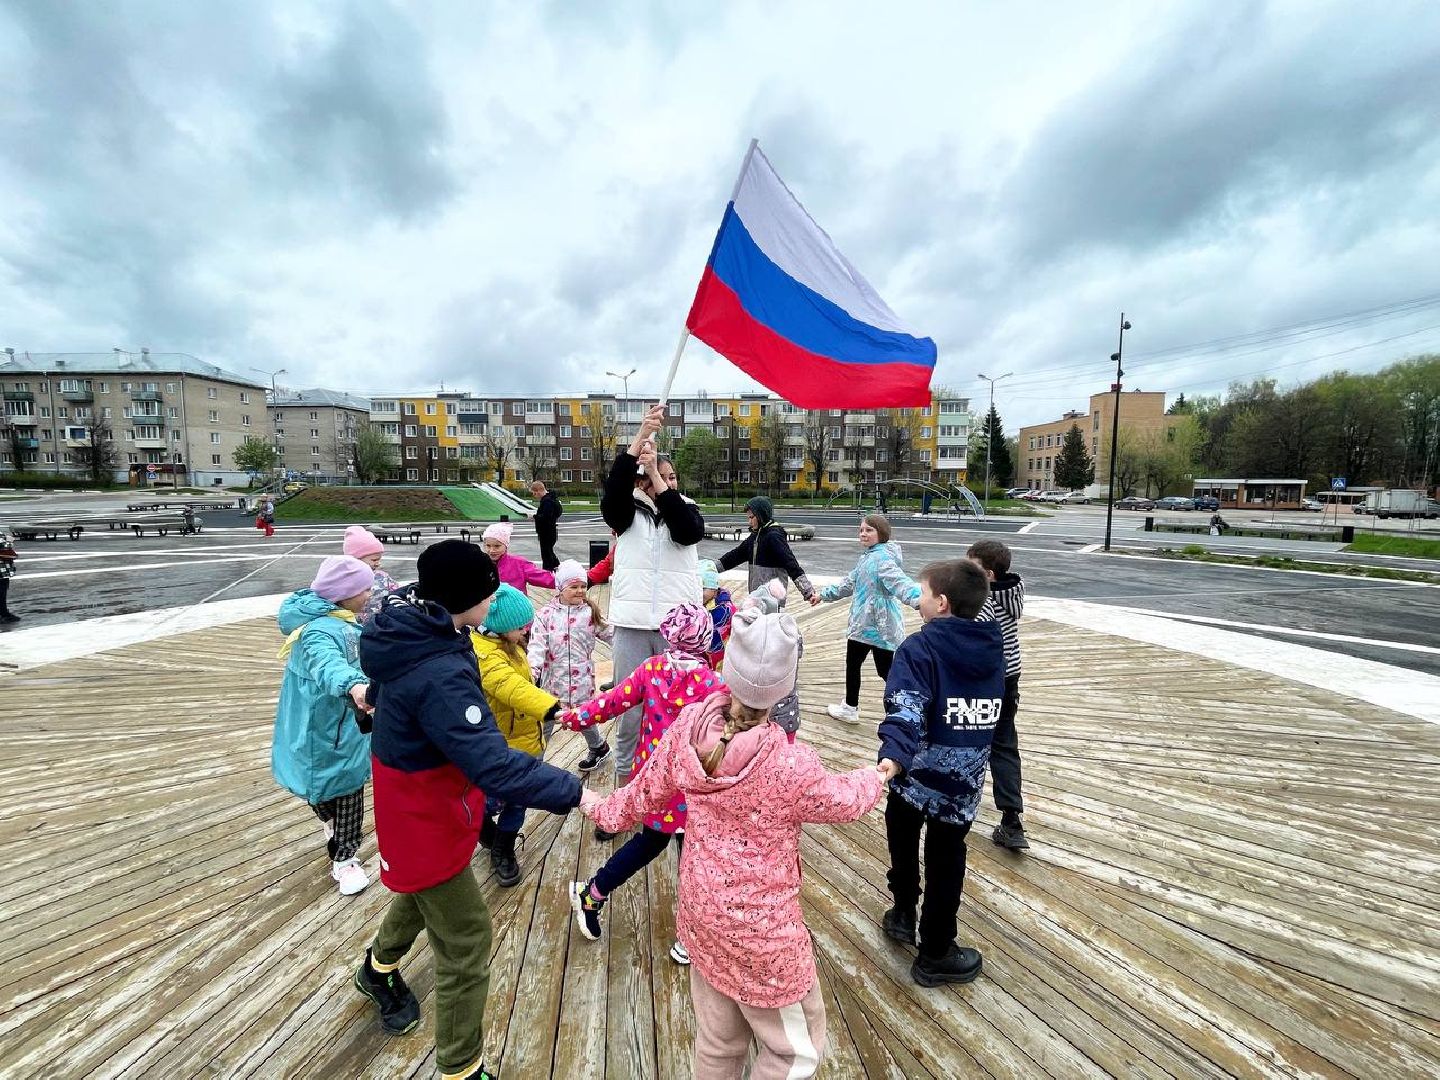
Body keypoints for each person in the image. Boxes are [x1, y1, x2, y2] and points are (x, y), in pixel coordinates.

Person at [583, 607, 886, 1080]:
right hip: (763, 933)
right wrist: (877, 773)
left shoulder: (687, 730)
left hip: (701, 914)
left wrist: (592, 804)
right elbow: (846, 801)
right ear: (783, 688)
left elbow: (637, 797)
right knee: (796, 1052)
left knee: (719, 1045)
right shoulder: (790, 765)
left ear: (727, 666)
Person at [355, 539, 590, 1080]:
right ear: (466, 597)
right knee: (467, 941)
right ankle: (460, 1067)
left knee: (427, 884)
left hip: (425, 795)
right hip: (424, 807)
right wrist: (577, 793)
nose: (497, 599)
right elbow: (494, 765)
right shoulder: (438, 669)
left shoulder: (424, 623)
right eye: (489, 591)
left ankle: (377, 966)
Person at [560, 603, 723, 960]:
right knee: (694, 856)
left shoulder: (652, 670)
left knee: (651, 842)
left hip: (656, 779)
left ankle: (592, 893)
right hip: (694, 785)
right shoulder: (713, 685)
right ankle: (691, 935)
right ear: (704, 638)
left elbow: (611, 702)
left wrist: (574, 717)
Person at [877, 559, 1005, 988]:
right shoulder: (994, 647)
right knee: (947, 858)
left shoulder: (919, 648)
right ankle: (936, 949)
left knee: (903, 834)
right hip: (963, 783)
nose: (919, 599)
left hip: (913, 776)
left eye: (923, 593)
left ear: (942, 603)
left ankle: (902, 913)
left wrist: (893, 755)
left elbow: (907, 707)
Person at [600, 403, 705, 800]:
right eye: (656, 477)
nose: (666, 481)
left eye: (672, 476)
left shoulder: (687, 511)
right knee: (630, 709)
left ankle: (672, 788)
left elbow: (686, 533)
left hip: (677, 632)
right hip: (631, 624)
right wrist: (639, 440)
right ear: (639, 481)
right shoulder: (624, 515)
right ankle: (626, 789)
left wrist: (661, 478)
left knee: (679, 711)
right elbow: (614, 494)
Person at [271, 555, 376, 896]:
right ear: (344, 594)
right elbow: (327, 664)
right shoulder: (320, 630)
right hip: (329, 723)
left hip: (329, 724)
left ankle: (344, 852)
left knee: (344, 788)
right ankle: (344, 861)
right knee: (330, 788)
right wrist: (355, 685)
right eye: (365, 588)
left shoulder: (332, 619)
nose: (370, 592)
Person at [468, 584, 559, 888]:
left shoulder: (507, 643)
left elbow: (521, 678)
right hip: (501, 745)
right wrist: (551, 708)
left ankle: (503, 848)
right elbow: (510, 687)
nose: (526, 631)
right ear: (501, 627)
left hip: (523, 738)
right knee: (491, 800)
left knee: (518, 800)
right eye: (520, 626)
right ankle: (485, 830)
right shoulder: (485, 655)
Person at [816, 514, 921, 725]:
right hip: (864, 625)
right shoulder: (868, 557)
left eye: (869, 530)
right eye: (861, 529)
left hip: (879, 626)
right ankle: (852, 707)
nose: (863, 533)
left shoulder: (882, 559)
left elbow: (901, 583)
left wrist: (921, 600)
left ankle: (906, 709)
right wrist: (823, 594)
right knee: (854, 664)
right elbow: (849, 583)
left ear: (881, 534)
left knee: (885, 671)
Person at [966, 539, 1028, 850]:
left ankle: (957, 799)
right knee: (1005, 745)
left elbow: (971, 638)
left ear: (988, 574)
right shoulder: (1014, 591)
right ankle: (1012, 819)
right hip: (1011, 677)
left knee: (969, 738)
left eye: (971, 566)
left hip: (984, 679)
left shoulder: (983, 600)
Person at [528, 559, 613, 774]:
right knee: (546, 718)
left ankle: (598, 747)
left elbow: (613, 635)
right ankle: (534, 765)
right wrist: (532, 670)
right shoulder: (545, 615)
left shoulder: (590, 614)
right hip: (552, 680)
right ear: (560, 588)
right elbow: (537, 644)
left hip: (582, 680)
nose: (580, 591)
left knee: (583, 718)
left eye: (583, 586)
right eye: (573, 587)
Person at [716, 496, 817, 606]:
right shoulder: (755, 536)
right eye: (748, 517)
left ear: (761, 516)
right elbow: (735, 556)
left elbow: (791, 564)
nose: (749, 522)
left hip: (772, 600)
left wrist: (808, 591)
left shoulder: (774, 537)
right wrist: (712, 568)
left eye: (751, 517)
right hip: (756, 598)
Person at [343, 525, 399, 625]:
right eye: (374, 560)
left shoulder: (383, 578)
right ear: (355, 559)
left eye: (379, 559)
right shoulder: (342, 580)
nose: (378, 563)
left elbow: (398, 594)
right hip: (354, 629)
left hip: (379, 628)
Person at [480, 521, 555, 595]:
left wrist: (562, 580)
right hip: (488, 606)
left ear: (506, 546)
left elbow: (543, 577)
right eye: (488, 545)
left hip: (515, 605)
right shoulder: (478, 563)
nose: (492, 550)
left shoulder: (519, 564)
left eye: (497, 546)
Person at [698, 559, 734, 671]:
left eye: (704, 588)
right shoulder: (695, 606)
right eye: (697, 588)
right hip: (701, 658)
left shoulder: (726, 608)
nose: (699, 592)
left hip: (721, 656)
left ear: (714, 589)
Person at [529, 479, 563, 571]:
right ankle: (557, 568)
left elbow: (546, 517)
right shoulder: (552, 499)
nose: (534, 495)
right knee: (549, 553)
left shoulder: (547, 501)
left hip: (546, 532)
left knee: (546, 555)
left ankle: (548, 573)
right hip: (550, 531)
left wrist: (534, 517)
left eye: (534, 493)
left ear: (538, 491)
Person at [0, 530, 19, 624]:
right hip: (1, 569)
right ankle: (3, 614)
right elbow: (4, 546)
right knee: (1, 593)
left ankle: (4, 613)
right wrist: (9, 540)